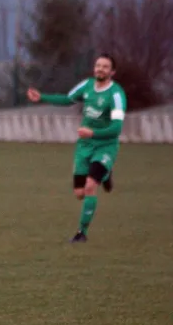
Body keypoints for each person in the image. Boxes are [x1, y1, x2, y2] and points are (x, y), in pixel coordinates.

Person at [27, 53, 127, 243]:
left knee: (90, 187)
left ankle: (82, 233)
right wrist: (42, 97)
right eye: (98, 65)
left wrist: (93, 133)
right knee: (79, 193)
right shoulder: (87, 86)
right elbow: (68, 99)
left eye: (105, 67)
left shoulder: (116, 94)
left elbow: (116, 128)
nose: (100, 69)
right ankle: (106, 174)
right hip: (85, 146)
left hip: (105, 146)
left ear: (112, 72)